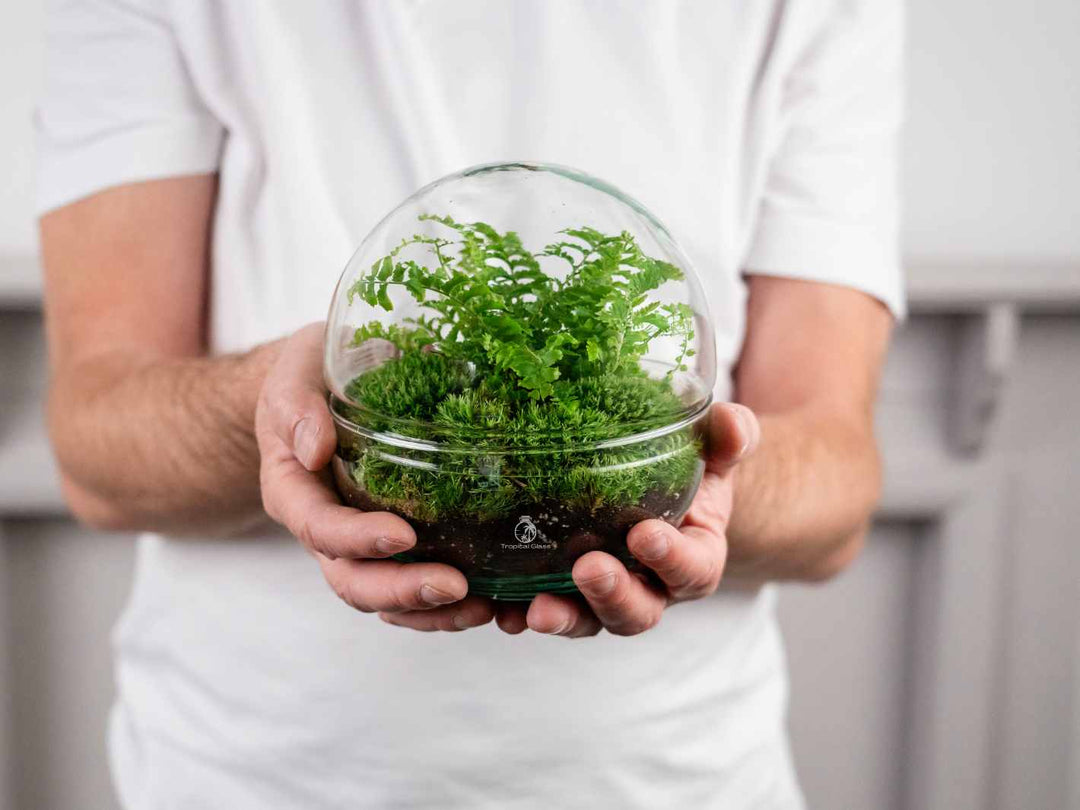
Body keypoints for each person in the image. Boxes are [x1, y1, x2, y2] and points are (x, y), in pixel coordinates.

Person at [36, 1, 903, 807]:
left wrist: (698, 476)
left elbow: (835, 485)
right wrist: (273, 409)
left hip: (674, 777)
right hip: (248, 773)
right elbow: (97, 445)